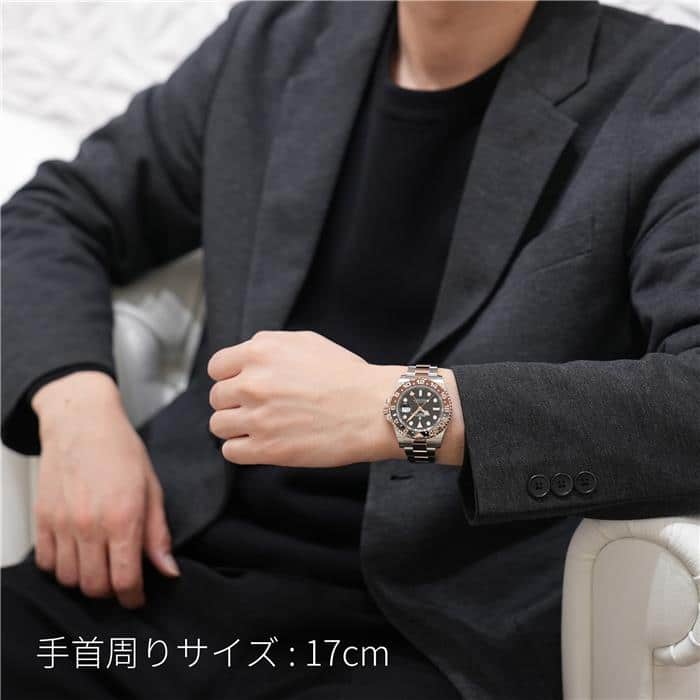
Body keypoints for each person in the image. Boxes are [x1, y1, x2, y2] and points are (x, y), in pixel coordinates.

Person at [2, 1, 699, 698]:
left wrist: (406, 409)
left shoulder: (667, 91)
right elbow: (55, 212)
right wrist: (79, 415)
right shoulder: (279, 36)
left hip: (424, 634)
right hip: (163, 569)